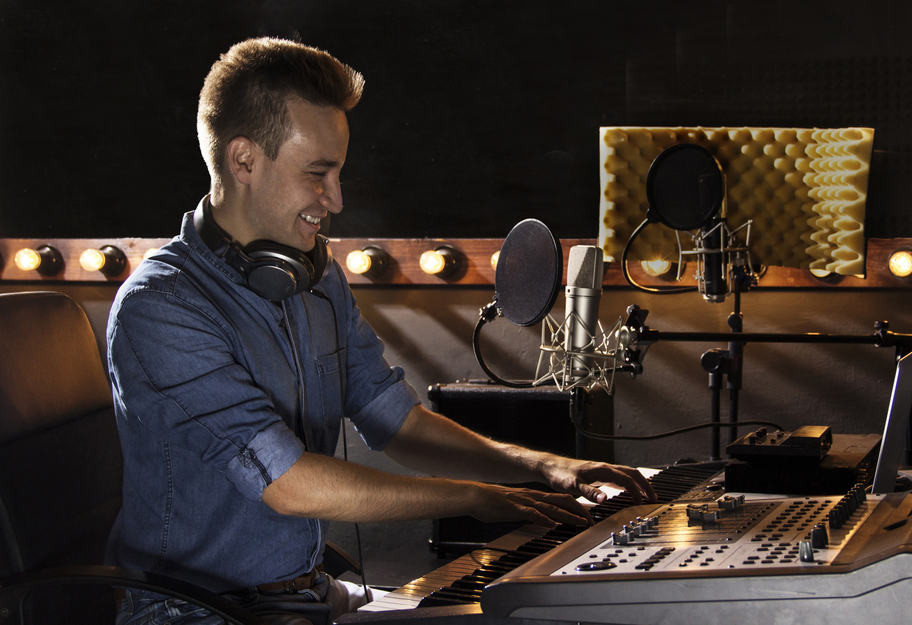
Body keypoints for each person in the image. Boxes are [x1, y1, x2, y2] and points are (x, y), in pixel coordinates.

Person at [106, 36, 654, 625]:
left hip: (307, 596)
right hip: (197, 614)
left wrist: (544, 467)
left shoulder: (315, 277)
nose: (335, 199)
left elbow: (394, 418)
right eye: (318, 173)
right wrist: (479, 498)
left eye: (338, 173)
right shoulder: (159, 308)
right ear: (243, 161)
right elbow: (287, 484)